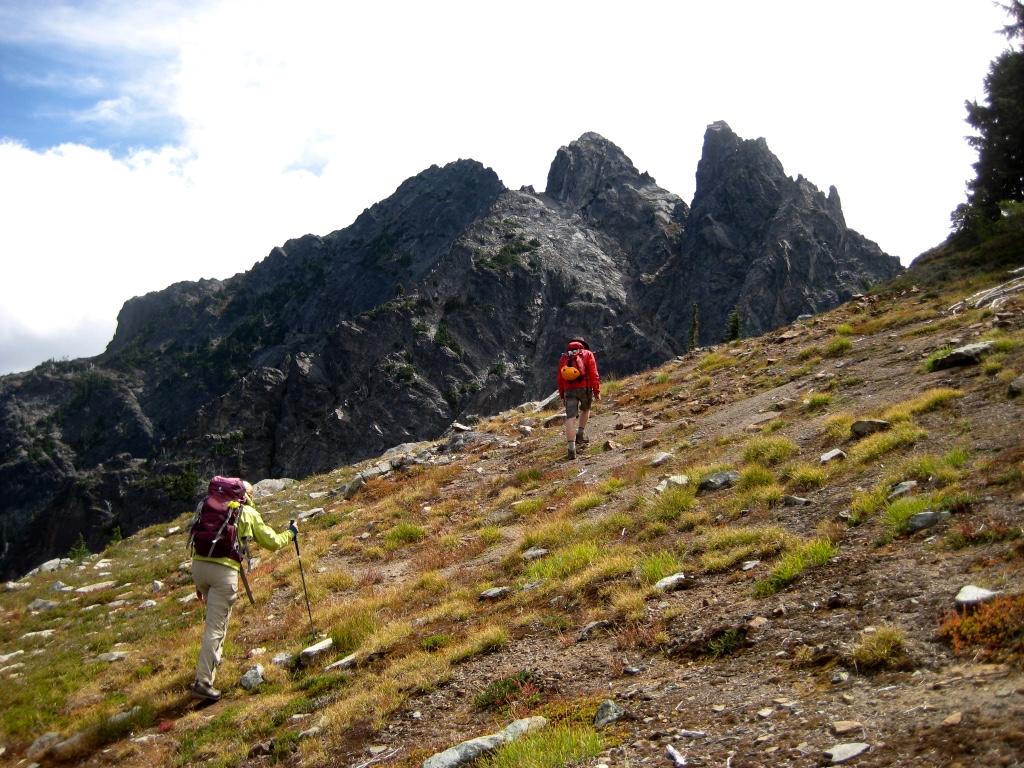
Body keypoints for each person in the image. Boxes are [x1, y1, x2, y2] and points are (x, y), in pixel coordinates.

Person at [189, 480, 298, 702]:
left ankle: (212, 662)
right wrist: (291, 533)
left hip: (199, 567)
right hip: (223, 572)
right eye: (252, 494)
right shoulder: (245, 512)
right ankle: (203, 682)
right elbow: (272, 542)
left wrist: (199, 582)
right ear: (245, 495)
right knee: (215, 628)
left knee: (215, 622)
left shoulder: (208, 505)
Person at [556, 337, 601, 460]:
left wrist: (562, 395)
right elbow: (594, 373)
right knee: (586, 410)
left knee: (570, 418)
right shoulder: (587, 354)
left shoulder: (564, 357)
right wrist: (596, 391)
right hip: (585, 388)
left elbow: (560, 378)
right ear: (583, 345)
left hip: (568, 389)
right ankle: (580, 435)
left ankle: (571, 449)